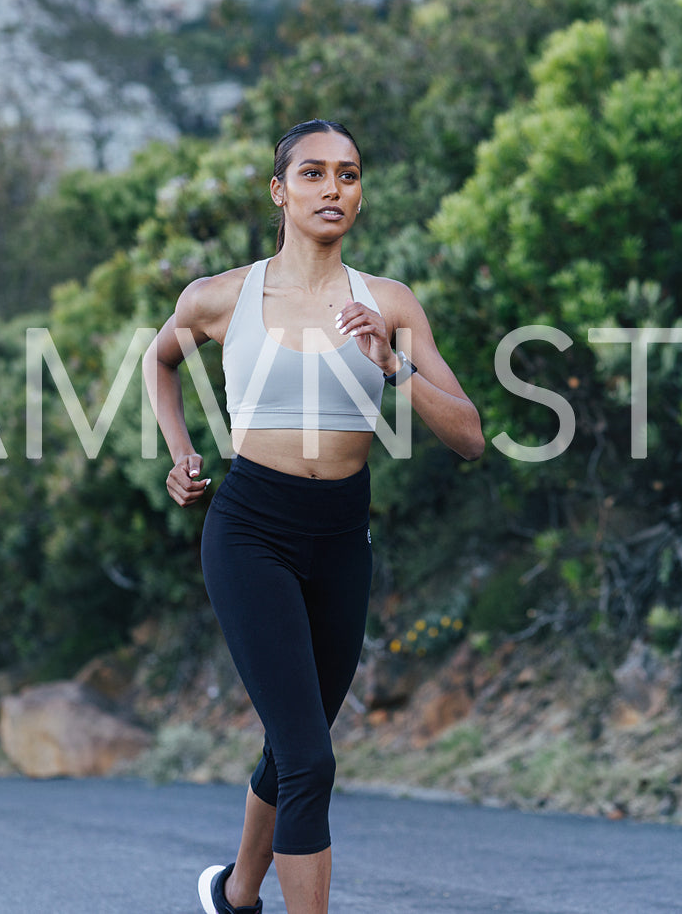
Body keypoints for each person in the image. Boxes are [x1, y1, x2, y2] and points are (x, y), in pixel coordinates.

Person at [142, 118, 484, 914]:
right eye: (314, 174)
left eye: (350, 175)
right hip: (251, 528)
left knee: (297, 746)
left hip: (339, 537)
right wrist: (180, 452)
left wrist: (393, 366)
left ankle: (235, 892)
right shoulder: (221, 297)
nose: (334, 189)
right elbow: (160, 361)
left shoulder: (388, 304)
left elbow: (467, 436)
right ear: (280, 191)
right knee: (308, 759)